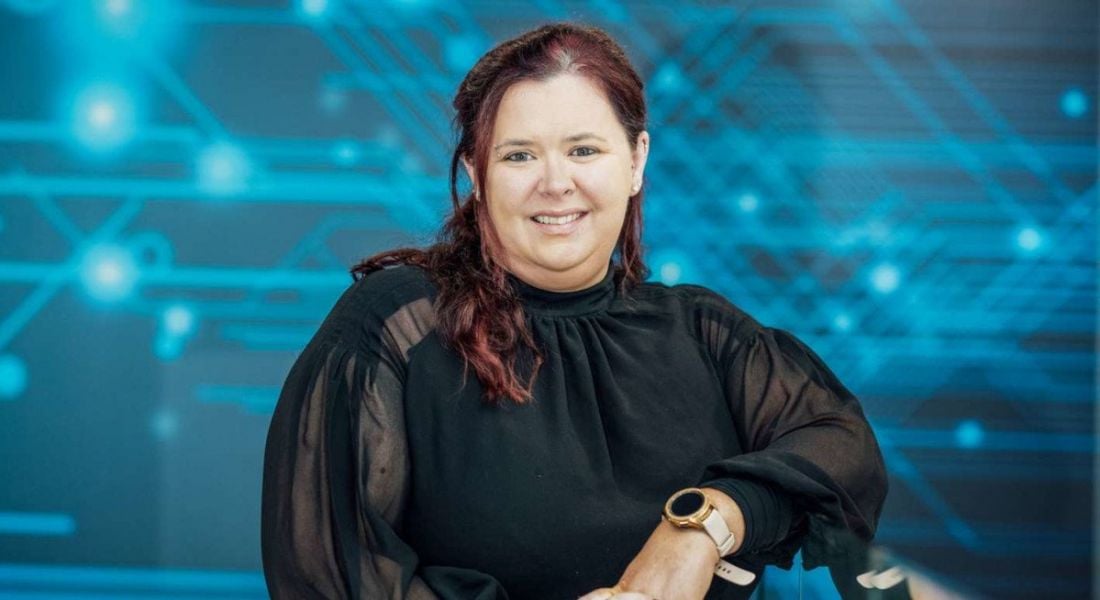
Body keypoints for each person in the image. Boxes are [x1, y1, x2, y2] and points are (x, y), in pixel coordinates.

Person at [260, 22, 889, 600]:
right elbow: (330, 574)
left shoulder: (699, 330)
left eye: (584, 150)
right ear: (477, 174)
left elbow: (842, 445)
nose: (555, 182)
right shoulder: (397, 327)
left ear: (636, 161)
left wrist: (706, 523)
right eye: (519, 155)